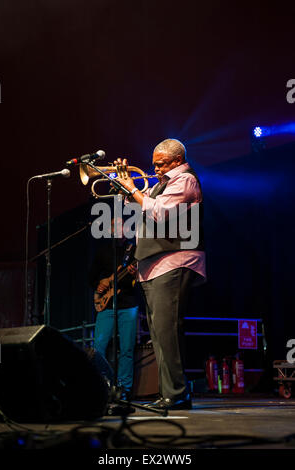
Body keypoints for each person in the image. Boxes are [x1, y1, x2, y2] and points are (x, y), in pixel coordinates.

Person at [114, 138, 206, 410]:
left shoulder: (184, 180)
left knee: (168, 332)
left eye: (161, 164)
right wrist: (125, 188)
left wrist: (132, 188)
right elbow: (140, 207)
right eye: (154, 164)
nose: (155, 169)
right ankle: (170, 393)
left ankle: (177, 394)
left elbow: (161, 214)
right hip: (155, 265)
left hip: (174, 260)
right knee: (159, 335)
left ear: (177, 160)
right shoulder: (161, 185)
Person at [89, 218, 139, 400]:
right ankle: (102, 384)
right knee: (99, 348)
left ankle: (124, 389)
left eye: (121, 225)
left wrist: (136, 274)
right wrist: (99, 283)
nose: (118, 228)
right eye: (114, 226)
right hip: (106, 306)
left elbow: (141, 279)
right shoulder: (102, 252)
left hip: (128, 304)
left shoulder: (134, 250)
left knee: (126, 349)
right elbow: (91, 278)